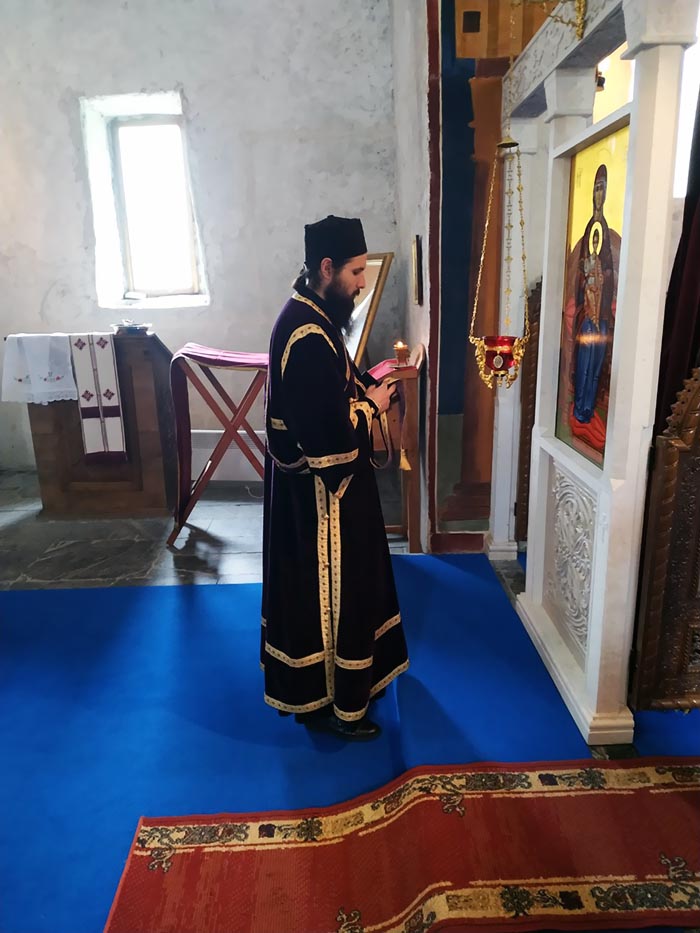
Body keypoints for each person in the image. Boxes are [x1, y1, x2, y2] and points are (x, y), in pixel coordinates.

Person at [261, 215, 409, 741]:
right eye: (355, 272)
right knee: (329, 597)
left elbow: (331, 388)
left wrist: (365, 387)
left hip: (315, 494)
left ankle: (327, 693)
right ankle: (336, 704)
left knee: (323, 598)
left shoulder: (313, 312)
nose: (362, 283)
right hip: (321, 501)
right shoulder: (306, 333)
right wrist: (374, 405)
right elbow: (329, 440)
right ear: (326, 268)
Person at [569, 164, 618, 452]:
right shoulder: (585, 240)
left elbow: (611, 278)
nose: (600, 194)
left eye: (603, 189)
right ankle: (579, 409)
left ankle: (589, 409)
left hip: (602, 322)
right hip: (588, 320)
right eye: (596, 188)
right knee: (584, 365)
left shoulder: (610, 239)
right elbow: (577, 284)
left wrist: (604, 278)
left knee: (596, 367)